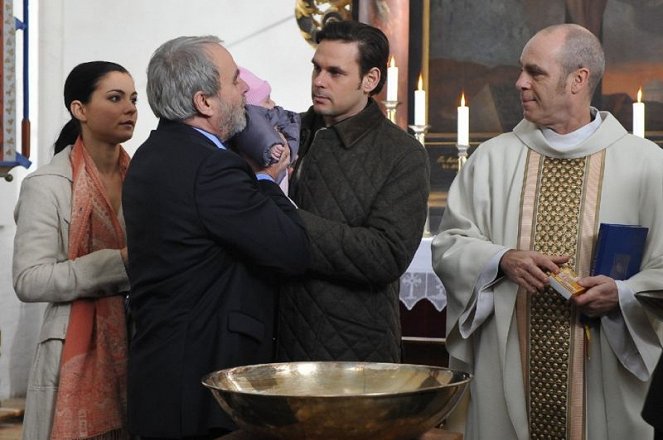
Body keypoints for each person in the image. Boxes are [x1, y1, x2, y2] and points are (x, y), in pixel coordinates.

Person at [432, 23, 663, 440]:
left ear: (579, 80)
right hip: (510, 367)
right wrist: (501, 260)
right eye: (522, 70)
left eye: (535, 72)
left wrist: (623, 294)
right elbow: (449, 246)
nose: (519, 83)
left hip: (606, 369)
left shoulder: (647, 165)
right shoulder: (492, 160)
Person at [122, 36, 310, 439]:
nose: (244, 89)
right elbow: (292, 248)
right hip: (202, 383)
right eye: (234, 79)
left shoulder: (152, 154)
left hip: (165, 374)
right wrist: (264, 181)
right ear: (204, 101)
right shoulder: (212, 168)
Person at [277, 20, 431, 363]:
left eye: (335, 72)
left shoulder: (402, 153)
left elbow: (385, 255)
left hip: (352, 346)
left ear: (370, 80)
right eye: (316, 68)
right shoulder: (285, 132)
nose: (318, 81)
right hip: (273, 336)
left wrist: (285, 221)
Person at [13, 61, 137, 440]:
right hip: (74, 343)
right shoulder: (48, 185)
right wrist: (120, 264)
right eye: (114, 98)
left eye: (133, 99)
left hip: (139, 339)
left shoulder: (143, 178)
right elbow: (29, 279)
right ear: (79, 109)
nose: (130, 108)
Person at [232, 66, 300, 190]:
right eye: (267, 100)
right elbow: (259, 133)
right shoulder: (251, 118)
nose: (273, 103)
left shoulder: (270, 119)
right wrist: (272, 147)